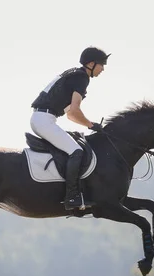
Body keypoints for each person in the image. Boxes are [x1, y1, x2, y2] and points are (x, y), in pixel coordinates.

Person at [30, 46, 110, 210]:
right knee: (76, 151)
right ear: (91, 64)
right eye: (102, 64)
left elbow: (71, 115)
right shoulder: (82, 78)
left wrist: (88, 124)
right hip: (44, 120)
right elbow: (74, 111)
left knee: (74, 144)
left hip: (43, 118)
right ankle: (72, 197)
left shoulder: (75, 74)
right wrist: (91, 125)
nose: (103, 69)